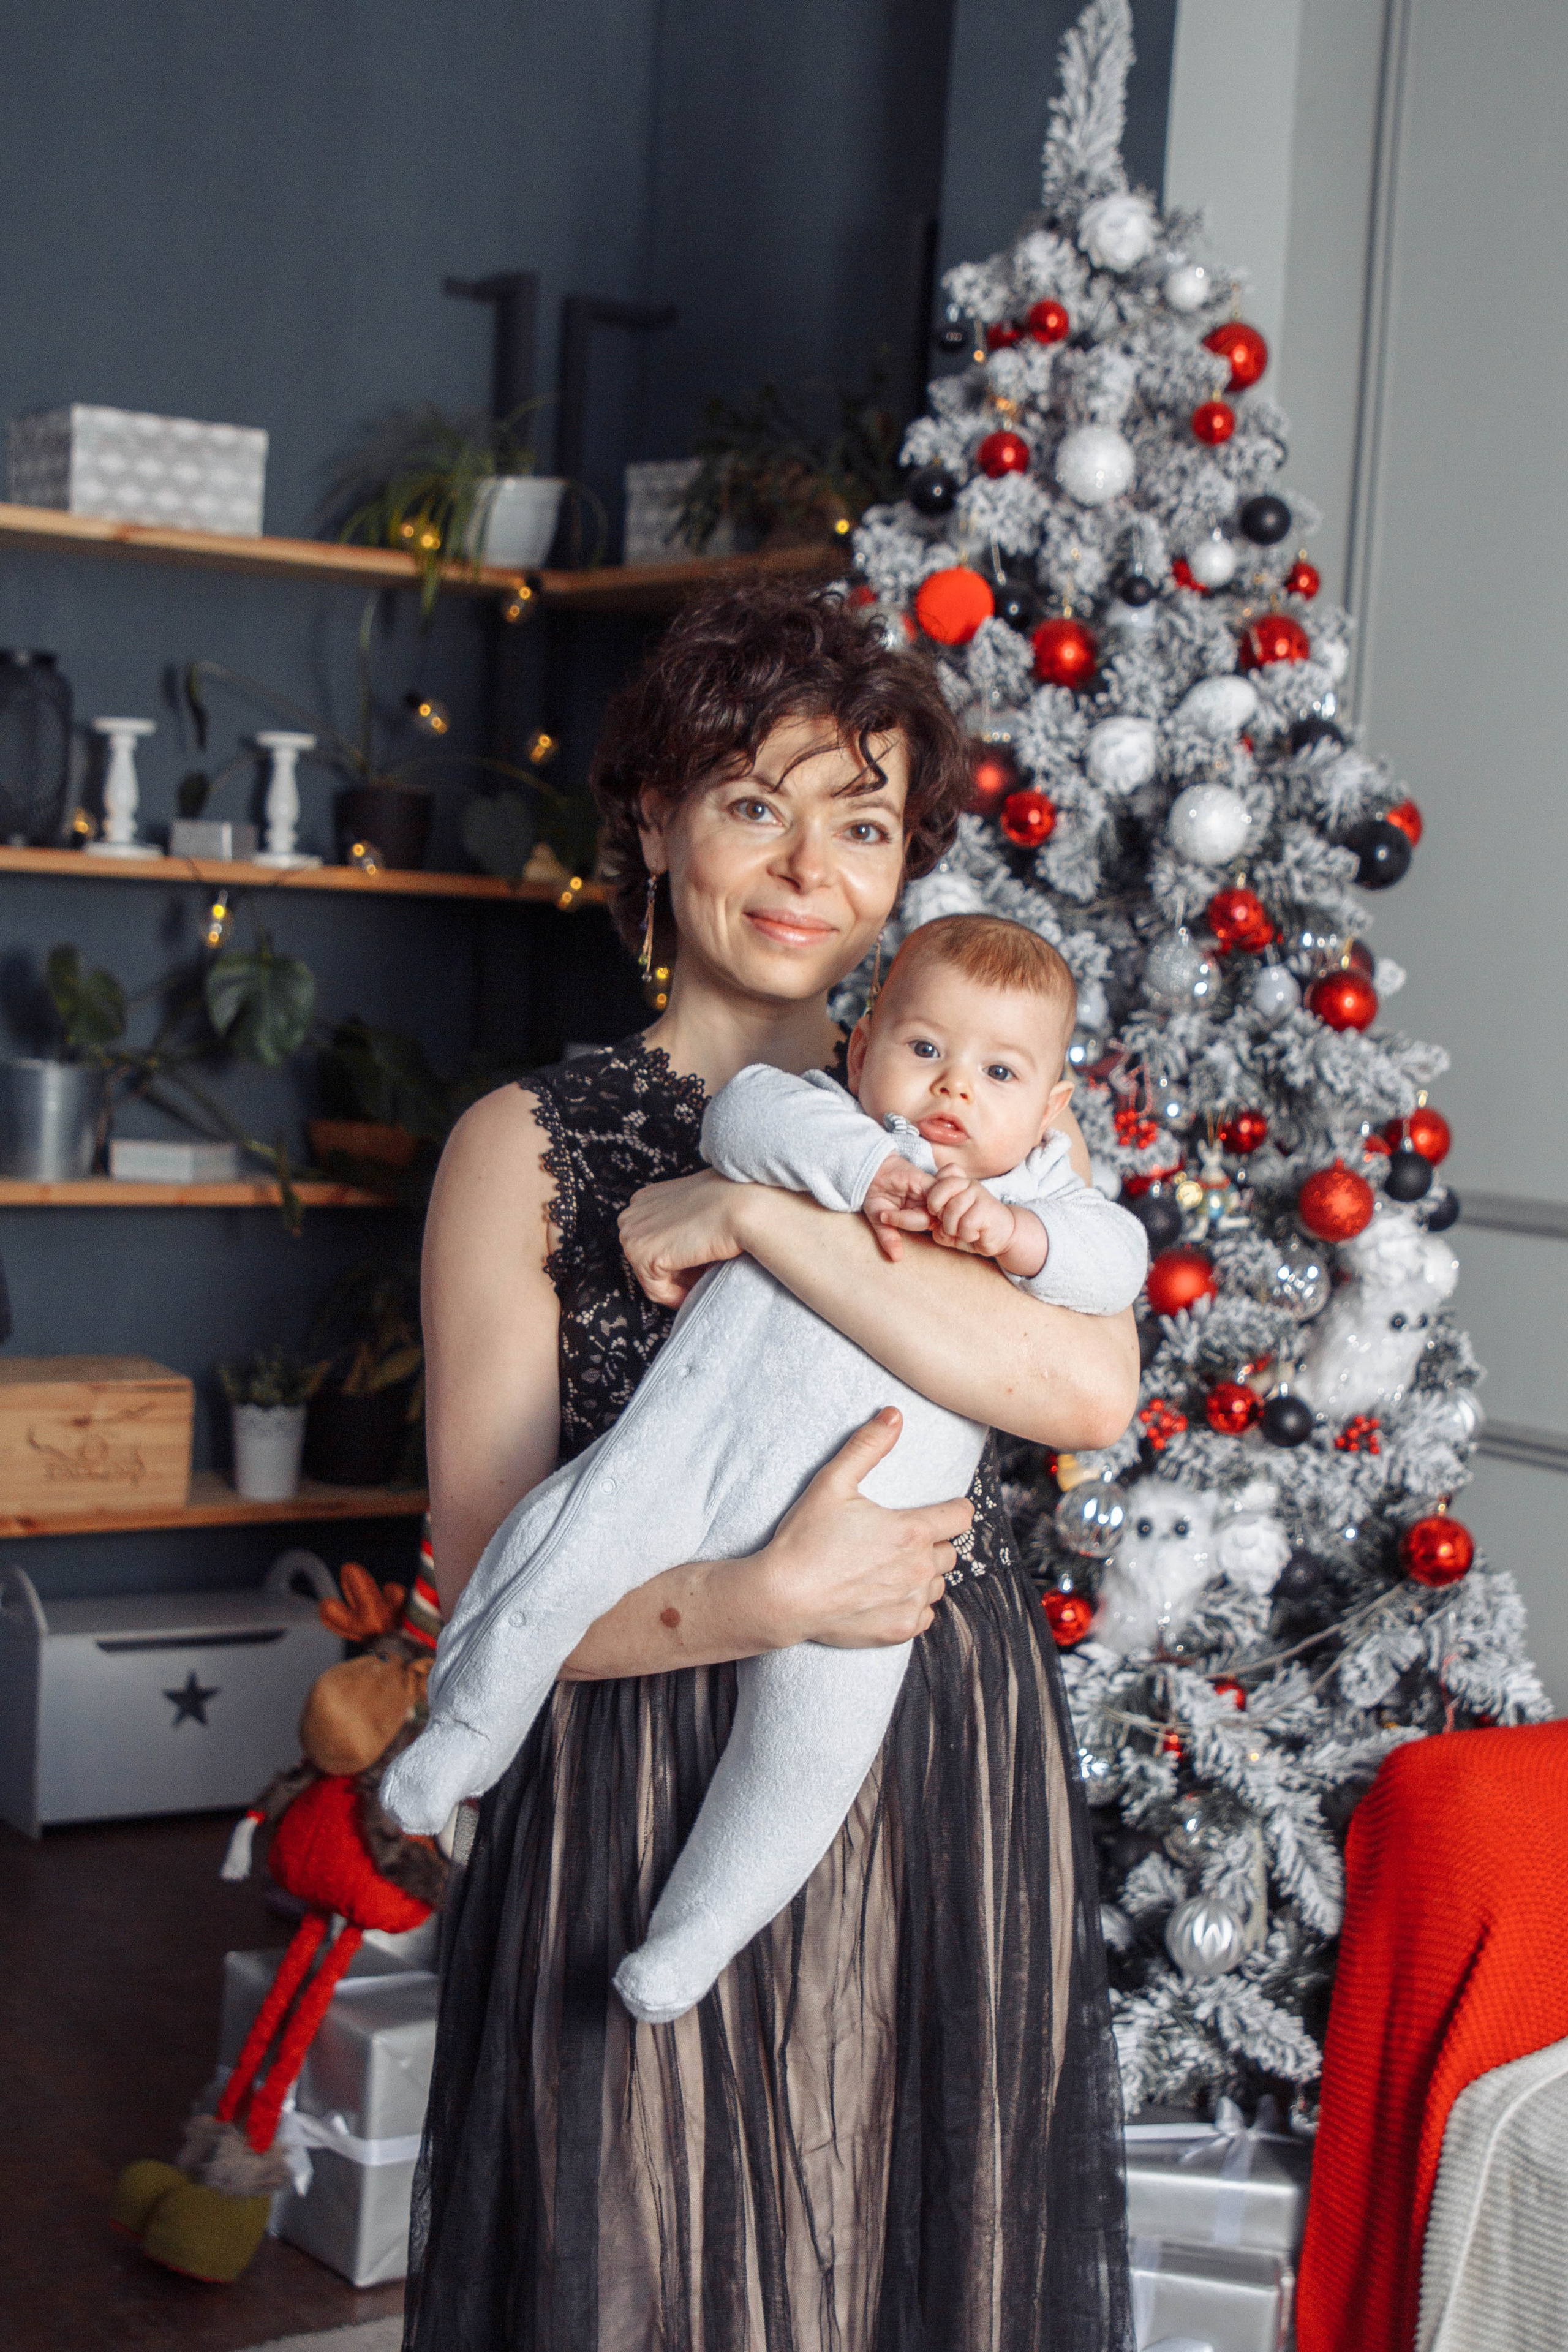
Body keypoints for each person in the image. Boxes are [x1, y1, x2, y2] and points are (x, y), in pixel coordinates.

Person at [405, 582, 1138, 2352]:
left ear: (908, 870)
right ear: (653, 825)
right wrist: (765, 1596)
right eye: (753, 802)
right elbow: (496, 1579)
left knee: (898, 2270)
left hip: (934, 1761)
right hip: (635, 1765)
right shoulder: (529, 1147)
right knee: (645, 2277)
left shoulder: (985, 1115)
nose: (812, 867)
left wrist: (757, 1220)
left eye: (865, 822)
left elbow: (1082, 1390)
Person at [385, 914, 1147, 2035]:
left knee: (808, 1762)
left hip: (899, 1597)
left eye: (995, 1072)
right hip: (694, 1468)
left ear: (1046, 1103)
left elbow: (1100, 1331)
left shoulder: (1033, 1179)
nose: (953, 1090)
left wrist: (998, 1235)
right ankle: (456, 1744)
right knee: (561, 1549)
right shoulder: (822, 1117)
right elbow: (749, 1115)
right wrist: (874, 1180)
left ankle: (697, 1935)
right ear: (867, 1047)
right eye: (926, 1052)